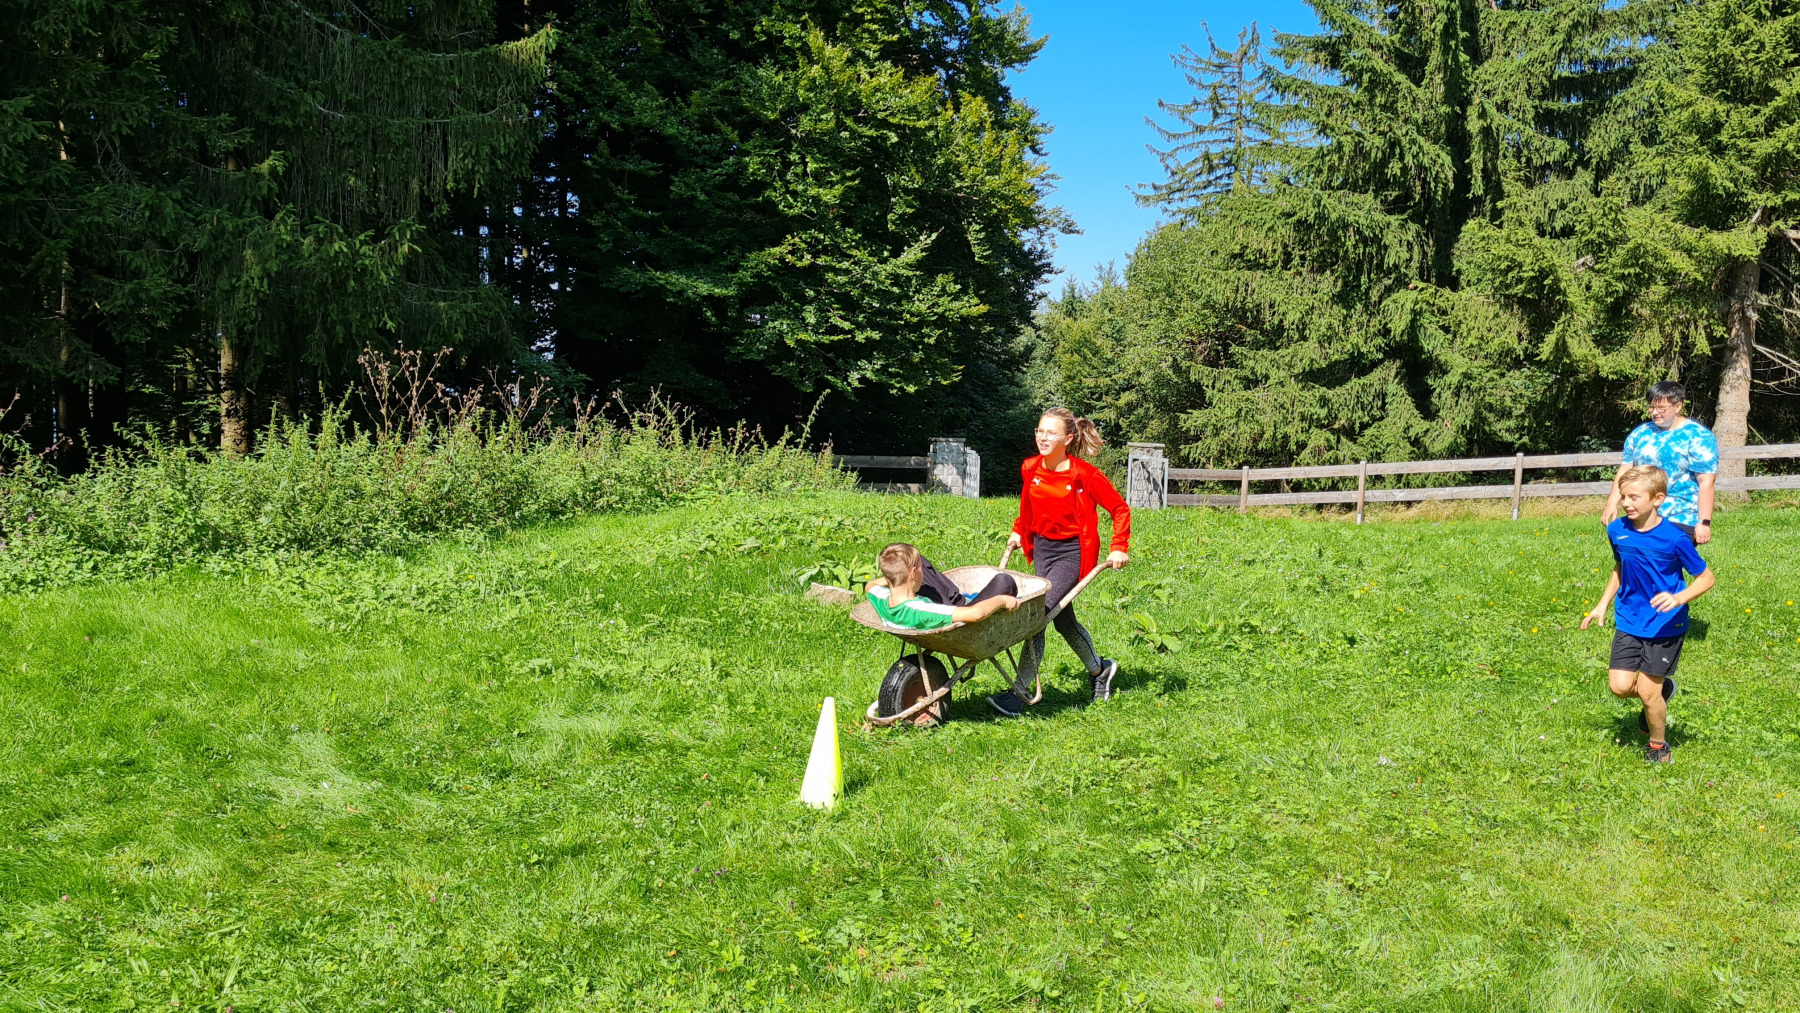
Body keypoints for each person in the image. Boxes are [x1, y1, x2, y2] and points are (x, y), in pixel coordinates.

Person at [989, 408, 1131, 717]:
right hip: (1043, 549)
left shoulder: (1084, 475)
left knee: (1037, 615)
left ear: (1067, 439)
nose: (1042, 437)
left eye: (1051, 433)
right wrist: (1018, 529)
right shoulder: (1030, 467)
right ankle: (1100, 670)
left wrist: (1119, 546)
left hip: (1072, 553)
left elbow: (1119, 509)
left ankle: (1020, 692)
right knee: (1062, 619)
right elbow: (1028, 504)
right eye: (1039, 431)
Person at [1581, 465, 1715, 764]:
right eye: (1623, 496)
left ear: (1657, 499)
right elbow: (1620, 567)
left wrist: (1678, 598)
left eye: (1634, 497)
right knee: (1619, 687)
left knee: (1646, 691)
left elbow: (1706, 578)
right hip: (1629, 618)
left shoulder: (1675, 538)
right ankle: (1664, 691)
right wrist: (1602, 604)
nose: (1625, 503)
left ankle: (1658, 747)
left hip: (1665, 624)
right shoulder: (1617, 530)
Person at [1602, 381, 1718, 544]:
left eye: (1661, 408)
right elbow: (1625, 470)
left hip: (1681, 516)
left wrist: (1703, 522)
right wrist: (1611, 503)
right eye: (1651, 407)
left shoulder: (1698, 436)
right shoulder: (1640, 434)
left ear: (1677, 407)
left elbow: (1706, 481)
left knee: (1661, 558)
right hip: (1643, 515)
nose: (1655, 413)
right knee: (1633, 556)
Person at [866, 543, 1019, 632]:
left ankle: (958, 599)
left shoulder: (880, 598)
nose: (923, 570)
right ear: (913, 573)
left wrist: (895, 577)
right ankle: (962, 602)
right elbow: (977, 613)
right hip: (960, 626)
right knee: (1004, 580)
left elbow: (869, 585)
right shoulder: (922, 610)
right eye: (919, 569)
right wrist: (1003, 600)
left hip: (905, 585)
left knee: (918, 558)